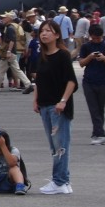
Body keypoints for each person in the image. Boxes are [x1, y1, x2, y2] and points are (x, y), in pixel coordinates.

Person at [31, 19, 77, 194]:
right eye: (42, 31)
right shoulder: (42, 56)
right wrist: (35, 99)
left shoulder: (63, 55)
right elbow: (39, 80)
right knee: (54, 146)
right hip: (44, 105)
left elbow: (71, 81)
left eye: (48, 31)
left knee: (60, 145)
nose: (44, 34)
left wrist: (63, 101)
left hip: (58, 107)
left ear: (57, 35)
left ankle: (59, 181)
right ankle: (64, 180)